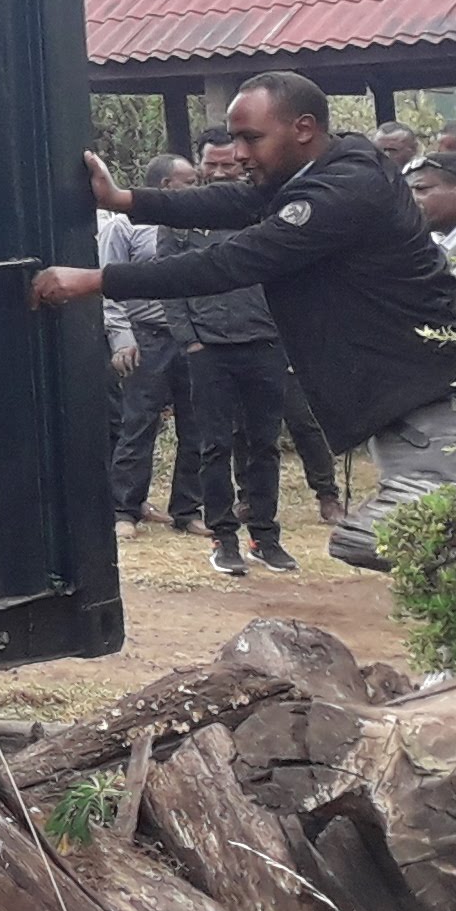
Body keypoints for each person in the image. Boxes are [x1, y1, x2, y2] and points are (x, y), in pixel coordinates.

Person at [33, 68, 456, 572]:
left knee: (438, 552)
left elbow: (232, 261)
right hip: (409, 403)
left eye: (251, 138)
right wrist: (126, 200)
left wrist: (94, 281)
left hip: (436, 408)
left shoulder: (345, 190)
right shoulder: (332, 164)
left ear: (304, 128)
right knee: (429, 558)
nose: (240, 153)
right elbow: (239, 201)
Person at [164, 135, 307, 579]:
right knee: (214, 445)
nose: (223, 172)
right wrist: (190, 339)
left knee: (264, 445)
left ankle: (265, 536)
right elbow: (168, 282)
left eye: (231, 164)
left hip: (265, 343)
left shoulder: (268, 209)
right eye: (214, 165)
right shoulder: (182, 220)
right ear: (202, 165)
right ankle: (223, 538)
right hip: (208, 348)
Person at [102, 157, 185, 522]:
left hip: (188, 336)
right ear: (167, 185)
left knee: (197, 425)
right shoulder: (124, 227)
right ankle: (125, 508)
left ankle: (187, 508)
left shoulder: (191, 226)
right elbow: (107, 285)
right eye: (190, 181)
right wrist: (121, 338)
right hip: (145, 338)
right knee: (138, 423)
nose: (198, 186)